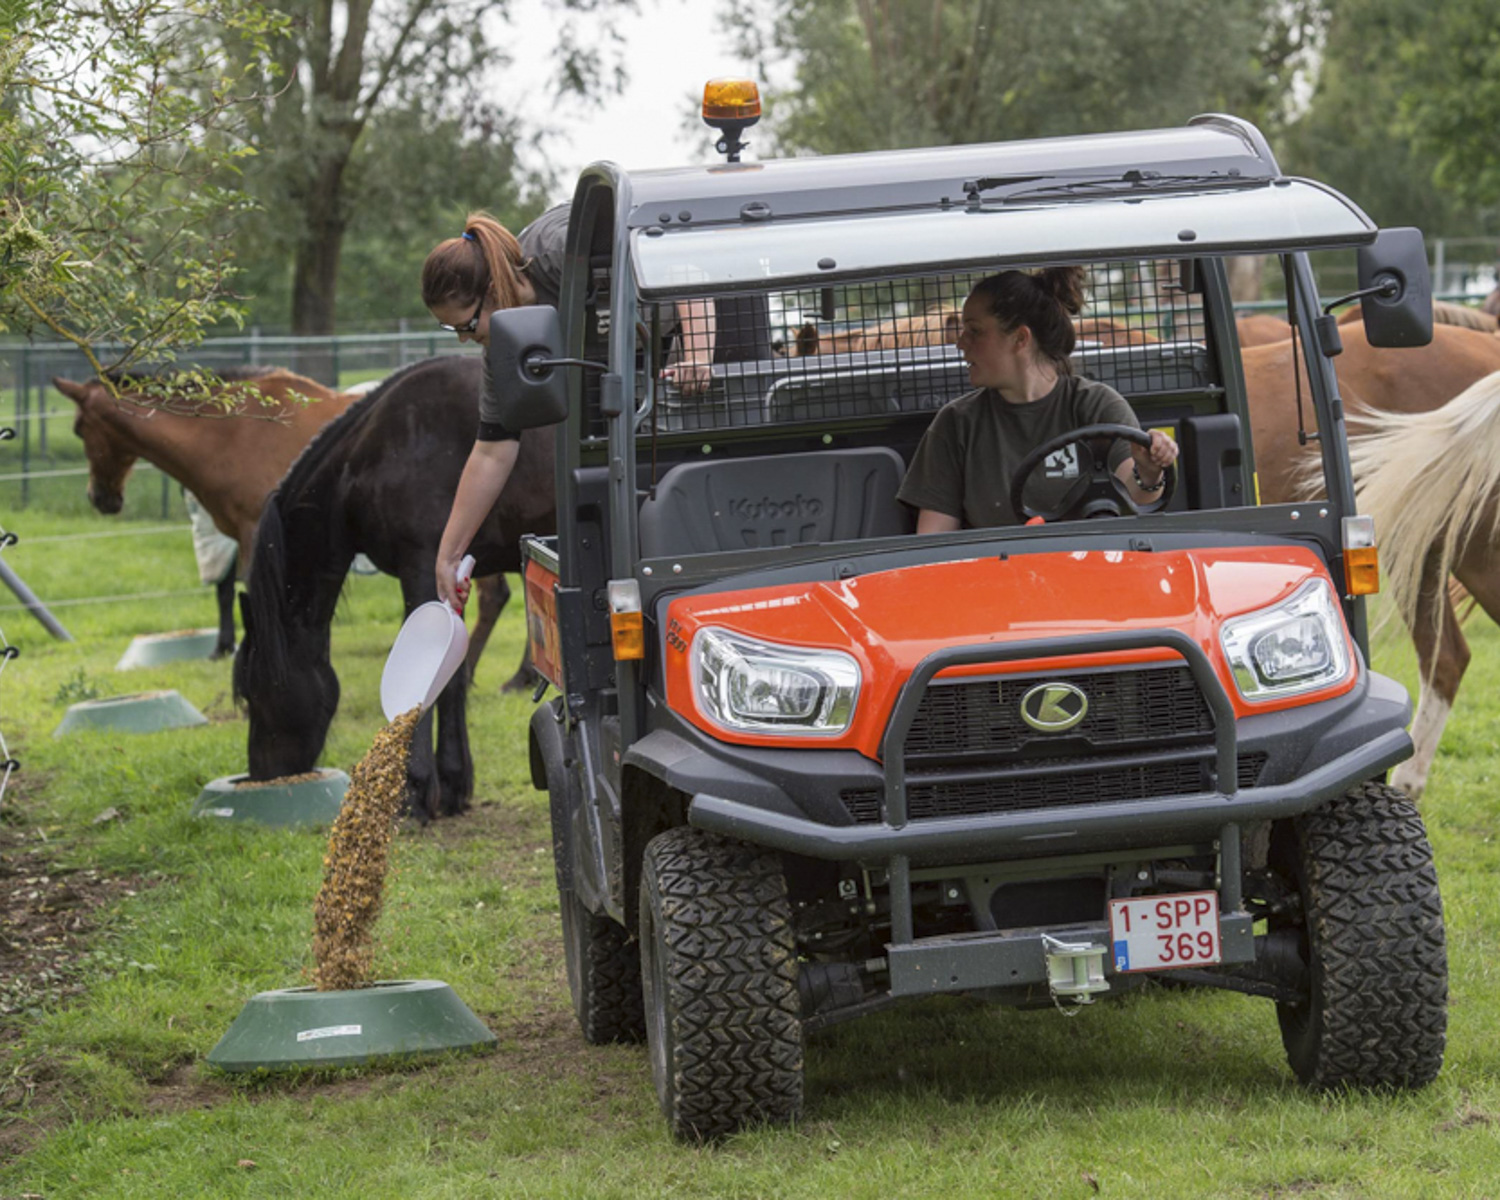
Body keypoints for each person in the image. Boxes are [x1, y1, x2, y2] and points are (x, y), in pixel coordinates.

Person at [424, 206, 771, 609]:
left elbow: (681, 263)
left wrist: (696, 354)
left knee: (730, 486)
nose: (464, 341)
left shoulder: (558, 250)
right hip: (654, 355)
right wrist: (447, 556)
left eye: (465, 326)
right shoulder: (509, 343)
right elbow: (492, 449)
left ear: (491, 290)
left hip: (722, 306)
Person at [897, 267, 1178, 531]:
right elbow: (934, 540)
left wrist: (1149, 470)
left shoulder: (1096, 404)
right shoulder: (956, 423)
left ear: (1020, 338)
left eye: (975, 331)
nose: (960, 343)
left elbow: (1136, 500)